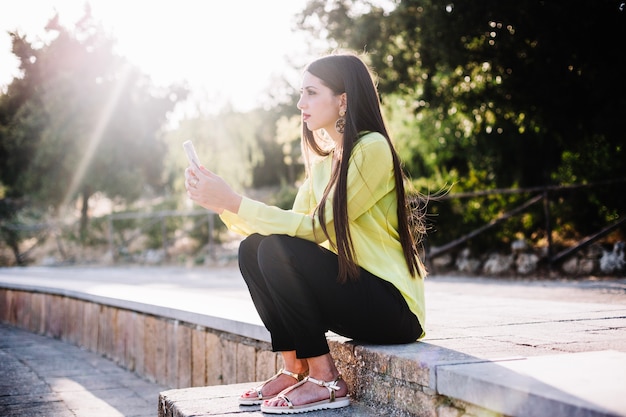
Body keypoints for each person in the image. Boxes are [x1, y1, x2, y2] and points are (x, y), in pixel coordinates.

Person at [185, 52, 427, 414]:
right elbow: (289, 229)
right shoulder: (323, 166)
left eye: (311, 92)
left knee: (273, 249)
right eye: (301, 94)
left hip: (394, 309)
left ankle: (326, 379)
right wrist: (222, 204)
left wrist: (235, 201)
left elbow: (316, 229)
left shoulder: (372, 149)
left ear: (342, 100)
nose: (301, 104)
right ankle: (295, 366)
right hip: (356, 301)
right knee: (254, 249)